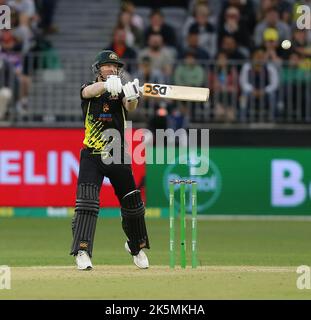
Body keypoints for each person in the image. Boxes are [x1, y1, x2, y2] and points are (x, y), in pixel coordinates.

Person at [70, 50, 150, 270]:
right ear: (99, 69)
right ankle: (82, 251)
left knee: (133, 204)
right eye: (108, 66)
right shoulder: (89, 87)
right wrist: (106, 86)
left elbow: (130, 107)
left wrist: (132, 96)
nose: (113, 69)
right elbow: (88, 92)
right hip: (92, 154)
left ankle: (136, 247)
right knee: (87, 202)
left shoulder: (122, 90)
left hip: (117, 154)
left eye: (115, 67)